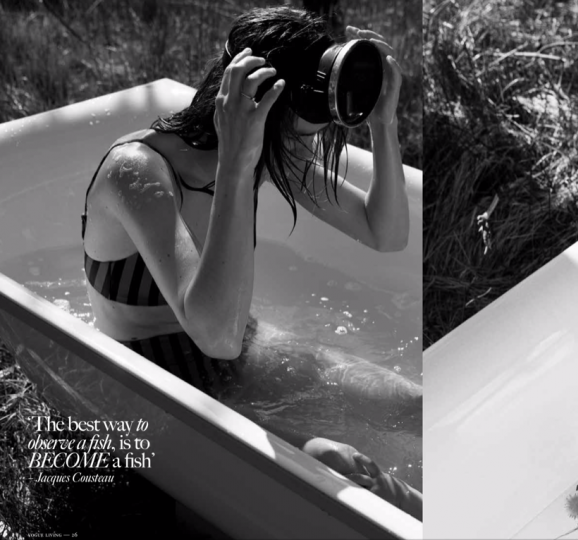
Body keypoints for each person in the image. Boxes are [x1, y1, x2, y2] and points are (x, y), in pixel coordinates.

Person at [80, 6, 421, 518]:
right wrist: (238, 164)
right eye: (301, 132)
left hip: (242, 345)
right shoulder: (138, 173)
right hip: (154, 380)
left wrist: (384, 123)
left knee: (414, 404)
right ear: (262, 105)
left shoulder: (269, 149)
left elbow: (385, 232)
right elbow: (215, 334)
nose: (305, 148)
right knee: (343, 466)